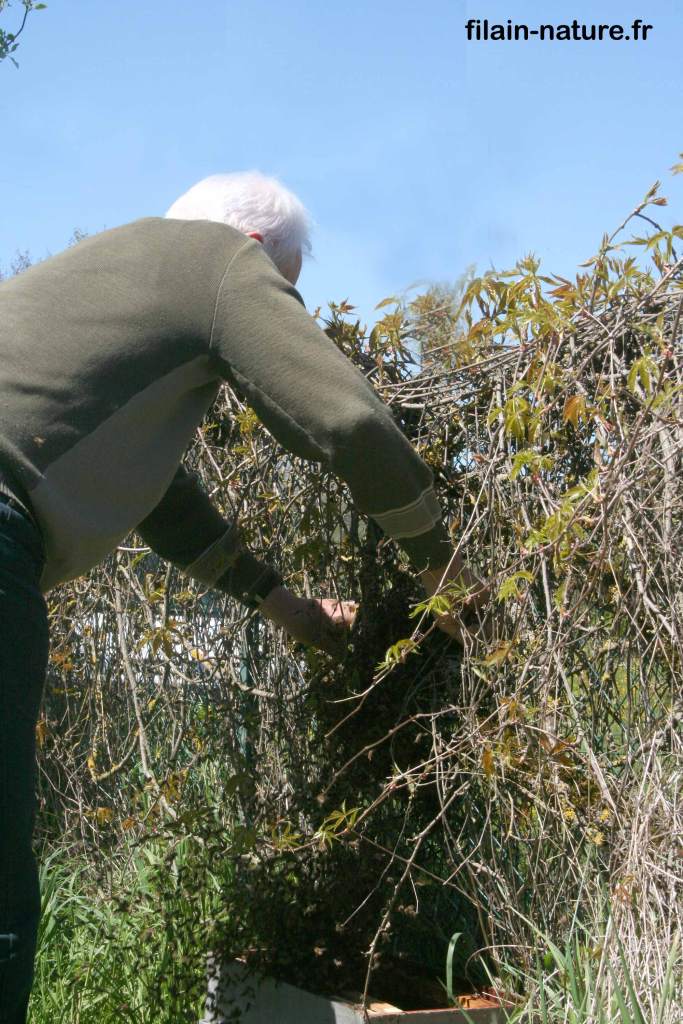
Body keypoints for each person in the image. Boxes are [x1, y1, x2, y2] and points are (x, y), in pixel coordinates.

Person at [0, 170, 491, 1022]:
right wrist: (440, 570)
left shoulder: (110, 278)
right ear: (258, 249)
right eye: (283, 290)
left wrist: (290, 609)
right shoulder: (220, 257)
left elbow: (165, 503)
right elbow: (349, 422)